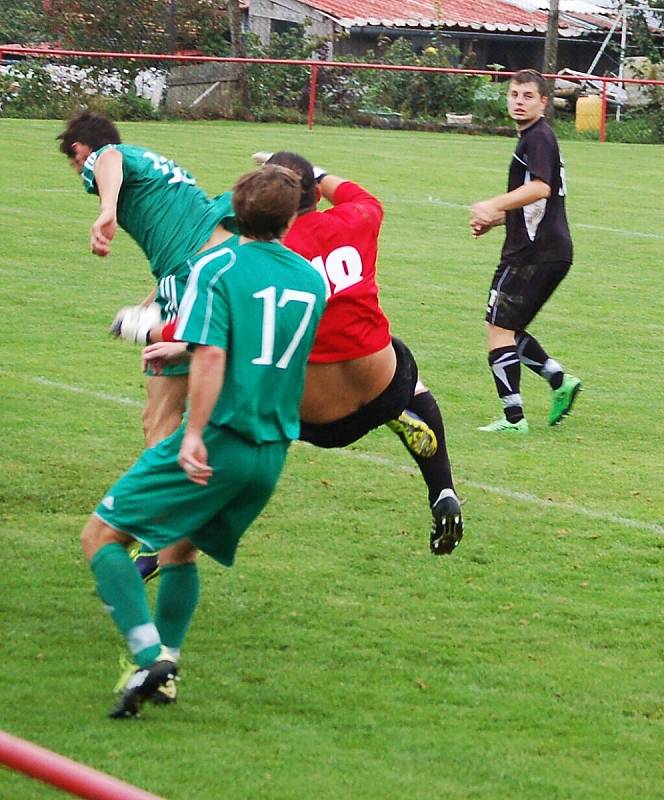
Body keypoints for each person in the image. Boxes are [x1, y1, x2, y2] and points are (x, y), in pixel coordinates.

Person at [79, 165, 326, 718]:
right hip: (270, 452)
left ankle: (147, 656)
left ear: (233, 211)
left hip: (220, 437)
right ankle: (164, 670)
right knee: (180, 549)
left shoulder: (217, 264)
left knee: (100, 537)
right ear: (292, 218)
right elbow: (257, 342)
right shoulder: (313, 281)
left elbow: (216, 353)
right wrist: (184, 348)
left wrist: (192, 434)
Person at [149, 152, 463, 557]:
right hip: (383, 383)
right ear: (316, 192)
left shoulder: (258, 257)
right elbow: (356, 193)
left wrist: (145, 327)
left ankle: (164, 538)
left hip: (312, 417)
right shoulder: (359, 217)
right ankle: (442, 488)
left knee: (238, 385)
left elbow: (208, 325)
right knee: (404, 367)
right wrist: (319, 172)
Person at [57, 110, 237, 448]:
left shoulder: (109, 156)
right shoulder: (151, 163)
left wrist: (107, 209)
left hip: (189, 278)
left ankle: (167, 496)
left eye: (77, 164)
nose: (82, 172)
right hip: (221, 265)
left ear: (80, 150)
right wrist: (152, 301)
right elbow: (184, 239)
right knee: (205, 399)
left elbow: (107, 157)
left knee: (160, 418)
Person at [469, 69, 582, 433]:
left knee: (498, 328)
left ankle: (513, 418)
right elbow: (537, 203)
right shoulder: (534, 138)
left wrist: (492, 203)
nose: (519, 101)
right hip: (547, 248)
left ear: (543, 102)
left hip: (533, 253)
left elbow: (541, 189)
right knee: (508, 328)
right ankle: (557, 380)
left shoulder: (538, 137)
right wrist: (498, 219)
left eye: (527, 96)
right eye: (514, 94)